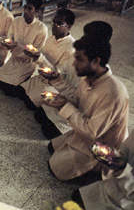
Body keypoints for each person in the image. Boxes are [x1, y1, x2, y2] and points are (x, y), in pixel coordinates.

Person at [43, 35, 129, 182]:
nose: (74, 64)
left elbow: (92, 132)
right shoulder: (89, 77)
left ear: (96, 61)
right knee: (51, 147)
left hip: (99, 147)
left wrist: (64, 106)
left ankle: (96, 172)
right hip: (81, 134)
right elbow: (77, 100)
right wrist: (57, 83)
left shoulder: (113, 92)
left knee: (54, 169)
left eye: (79, 59)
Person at [39, 21, 114, 139]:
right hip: (67, 101)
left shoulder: (99, 76)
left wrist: (64, 104)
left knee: (51, 134)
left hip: (79, 121)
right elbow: (66, 77)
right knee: (39, 113)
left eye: (88, 38)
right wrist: (56, 79)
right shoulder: (80, 58)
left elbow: (84, 110)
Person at [21, 9, 76, 137]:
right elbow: (43, 55)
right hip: (41, 77)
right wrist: (34, 53)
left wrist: (40, 58)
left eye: (59, 24)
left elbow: (58, 74)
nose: (54, 26)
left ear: (68, 26)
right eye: (53, 22)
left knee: (31, 106)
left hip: (53, 85)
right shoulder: (51, 38)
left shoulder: (71, 47)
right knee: (20, 92)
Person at [0, 0, 48, 96]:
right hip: (14, 60)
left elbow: (36, 52)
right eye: (25, 7)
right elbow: (9, 38)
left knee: (10, 91)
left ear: (37, 11)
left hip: (27, 63)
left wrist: (16, 47)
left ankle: (25, 78)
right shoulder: (17, 21)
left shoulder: (41, 28)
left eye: (30, 9)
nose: (26, 11)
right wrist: (8, 44)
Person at [72, 131, 134, 210]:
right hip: (112, 185)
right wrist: (114, 156)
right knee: (76, 197)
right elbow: (124, 151)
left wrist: (123, 169)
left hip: (126, 202)